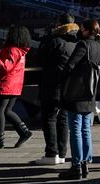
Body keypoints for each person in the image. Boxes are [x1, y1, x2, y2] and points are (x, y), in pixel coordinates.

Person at [58, 19, 100, 180]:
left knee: (75, 129)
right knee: (86, 129)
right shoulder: (97, 46)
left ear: (86, 31)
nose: (80, 30)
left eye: (82, 28)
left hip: (77, 94)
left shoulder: (83, 45)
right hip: (90, 94)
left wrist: (61, 78)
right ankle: (85, 164)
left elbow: (70, 65)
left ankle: (76, 166)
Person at [33, 14, 78, 165]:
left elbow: (39, 59)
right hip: (68, 87)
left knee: (49, 118)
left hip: (51, 85)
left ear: (59, 24)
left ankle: (52, 153)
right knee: (63, 120)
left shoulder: (54, 41)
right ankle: (62, 153)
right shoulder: (76, 42)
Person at [0, 25, 32, 150]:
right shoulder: (20, 51)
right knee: (7, 111)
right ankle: (24, 132)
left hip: (4, 85)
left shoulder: (12, 50)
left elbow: (5, 67)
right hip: (14, 86)